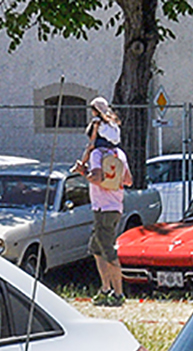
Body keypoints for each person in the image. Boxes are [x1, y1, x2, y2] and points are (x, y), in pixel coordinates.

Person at [78, 96, 128, 306]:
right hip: (115, 206)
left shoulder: (98, 154)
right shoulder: (119, 154)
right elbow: (128, 180)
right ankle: (105, 288)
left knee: (108, 251)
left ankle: (118, 294)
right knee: (97, 249)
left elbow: (96, 178)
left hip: (102, 208)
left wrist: (84, 173)